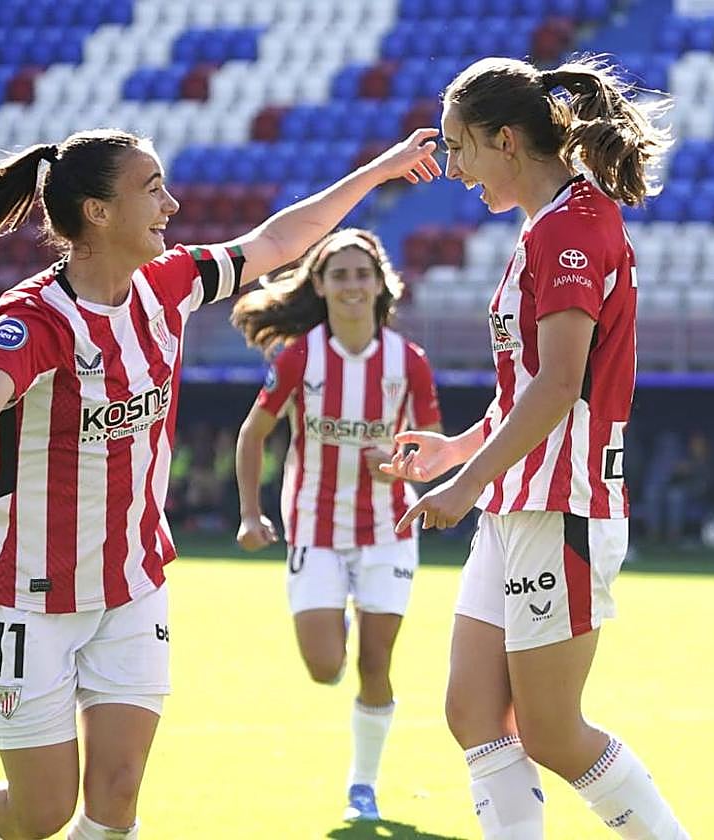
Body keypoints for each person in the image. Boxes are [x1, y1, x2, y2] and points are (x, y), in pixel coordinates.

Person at [0, 127, 440, 840]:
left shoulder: (171, 282)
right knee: (41, 811)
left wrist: (376, 170)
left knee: (118, 796)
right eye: (152, 187)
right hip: (27, 594)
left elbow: (279, 241)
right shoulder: (35, 317)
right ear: (98, 212)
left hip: (132, 584)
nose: (173, 202)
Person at [380, 56, 687, 839]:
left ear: (506, 140)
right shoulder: (547, 227)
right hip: (520, 501)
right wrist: (459, 452)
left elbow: (557, 390)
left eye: (459, 148)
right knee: (473, 712)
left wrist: (463, 485)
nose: (452, 168)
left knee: (551, 731)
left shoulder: (574, 231)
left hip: (564, 507)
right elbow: (532, 396)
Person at [231, 228, 443, 822]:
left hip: (388, 530)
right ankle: (340, 610)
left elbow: (433, 453)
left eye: (362, 274)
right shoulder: (301, 357)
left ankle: (363, 788)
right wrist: (251, 514)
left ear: (381, 285)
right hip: (315, 528)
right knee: (326, 668)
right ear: (320, 285)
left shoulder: (410, 363)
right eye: (340, 275)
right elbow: (253, 435)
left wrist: (399, 466)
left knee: (376, 663)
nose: (353, 285)